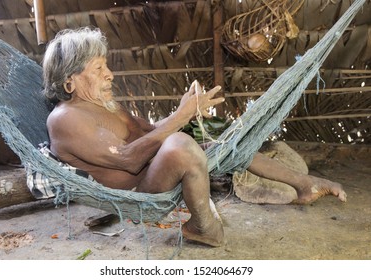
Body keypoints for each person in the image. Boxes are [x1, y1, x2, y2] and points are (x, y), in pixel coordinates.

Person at [42, 27, 346, 247]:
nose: (110, 74)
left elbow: (149, 134)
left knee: (224, 143)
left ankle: (304, 184)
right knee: (181, 146)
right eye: (99, 68)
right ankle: (204, 227)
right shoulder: (64, 120)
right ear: (70, 81)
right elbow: (130, 160)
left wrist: (181, 110)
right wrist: (182, 116)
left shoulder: (108, 107)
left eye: (107, 66)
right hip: (138, 192)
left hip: (154, 171)